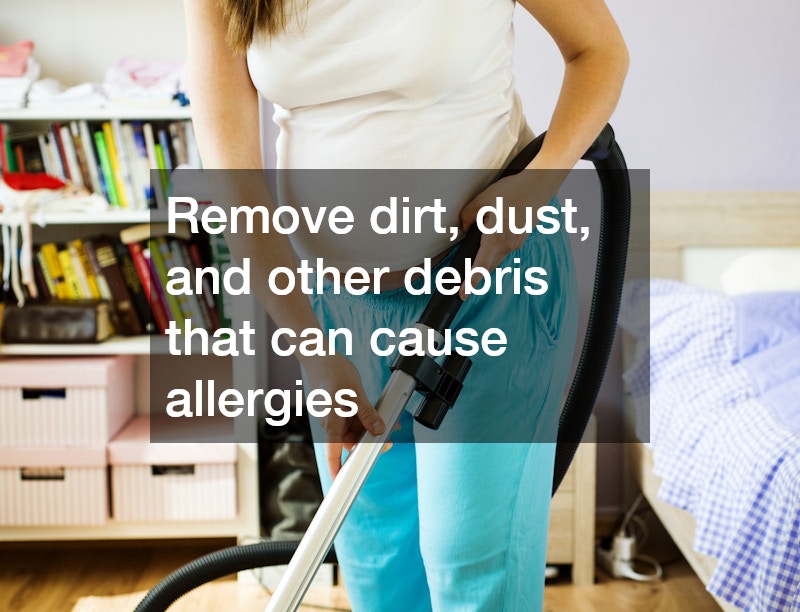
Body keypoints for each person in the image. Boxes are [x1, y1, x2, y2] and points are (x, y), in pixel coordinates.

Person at [183, 1, 627, 609]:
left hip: (488, 287)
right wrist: (314, 352)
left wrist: (541, 178)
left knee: (472, 569)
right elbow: (235, 178)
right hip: (340, 314)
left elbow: (598, 50)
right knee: (377, 564)